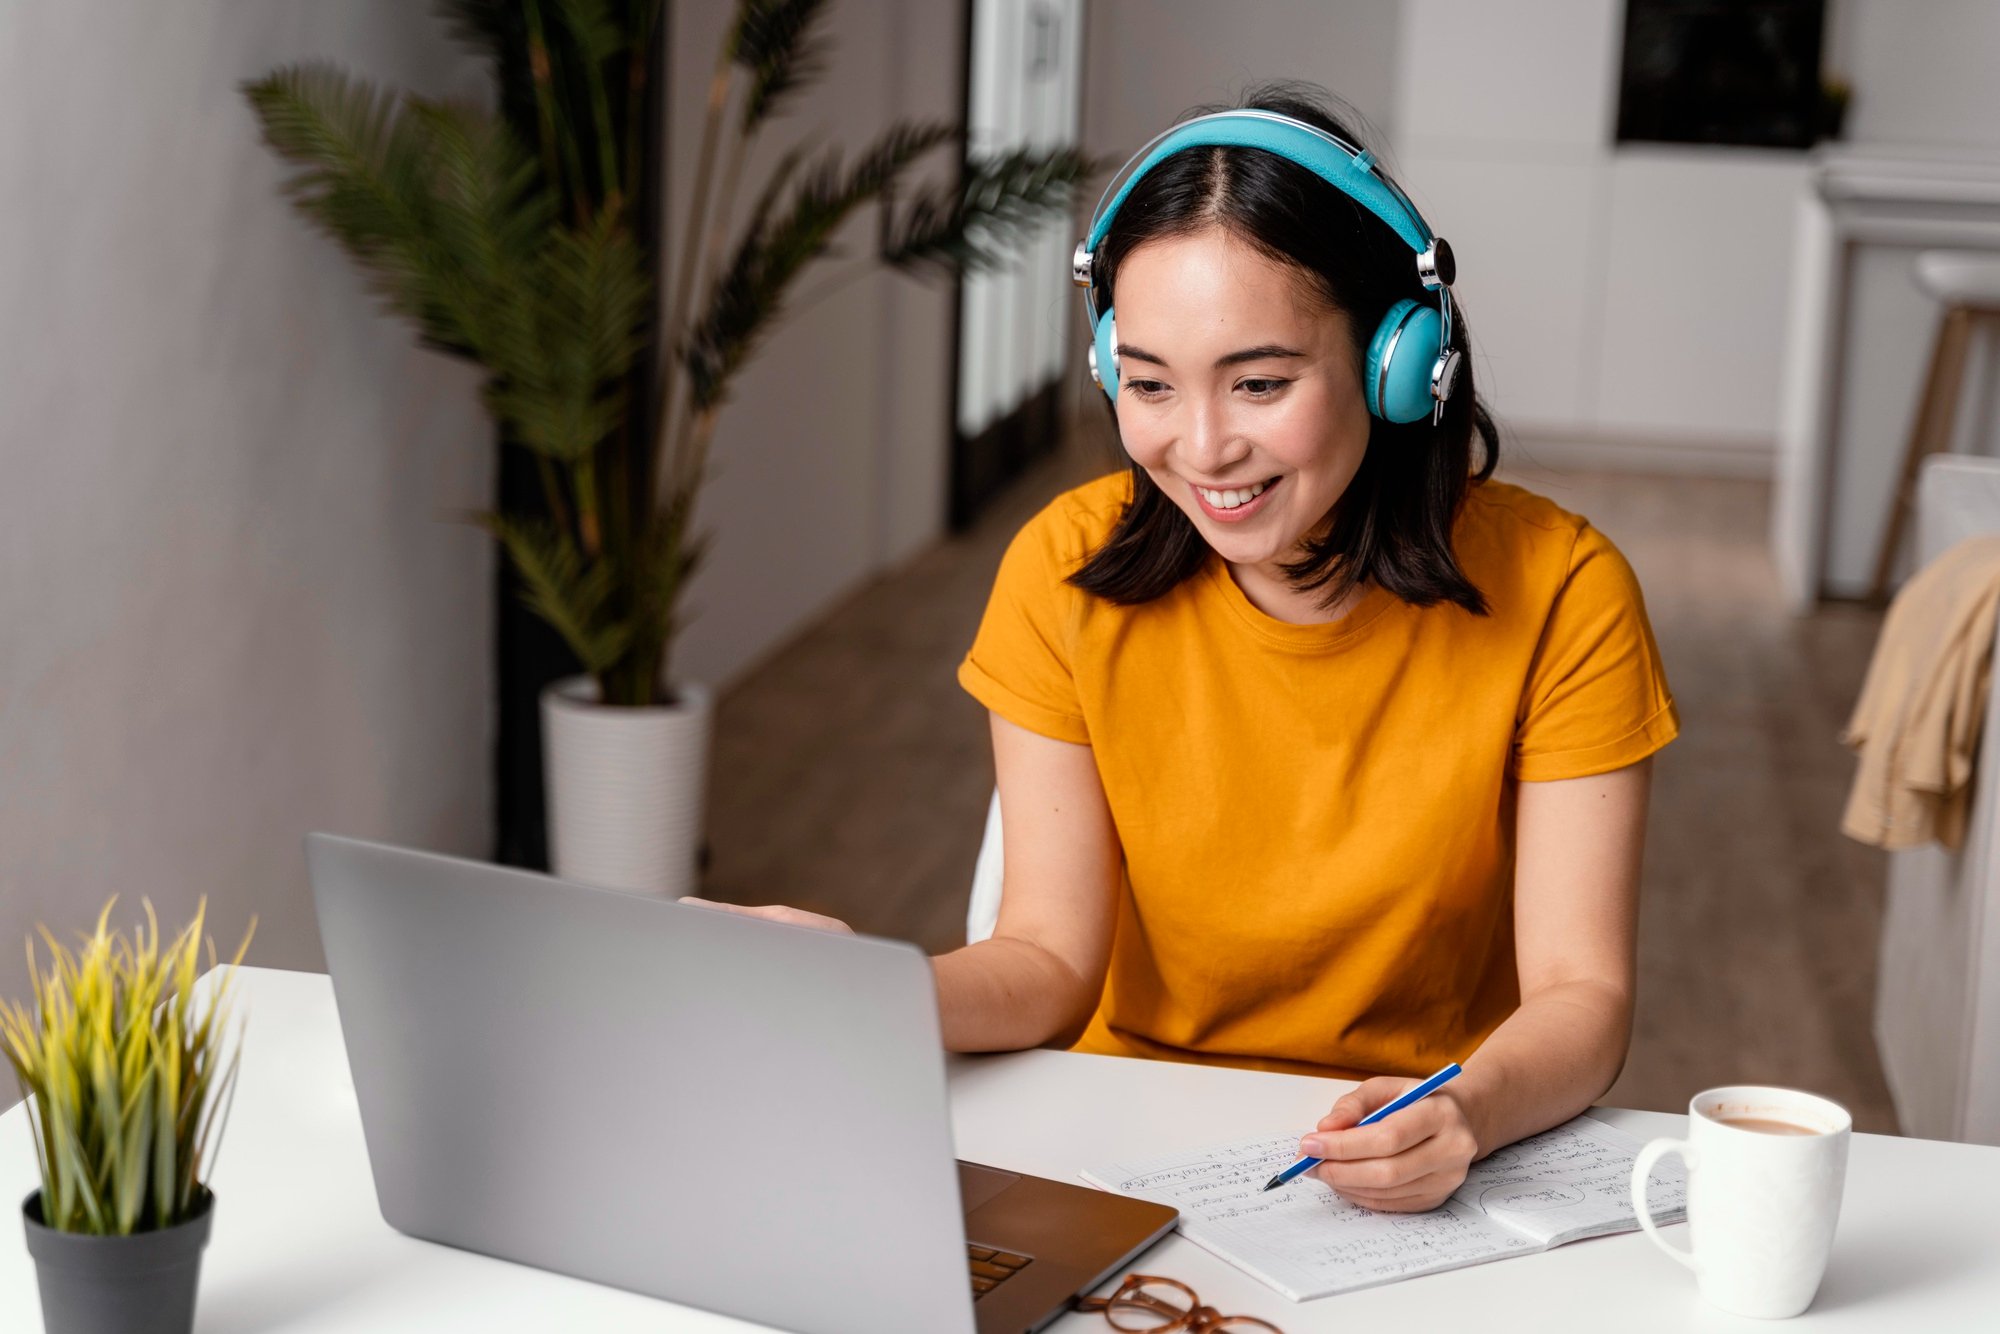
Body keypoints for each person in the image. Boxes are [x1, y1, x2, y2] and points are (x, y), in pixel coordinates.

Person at [685, 85, 1678, 1214]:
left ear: (1398, 360)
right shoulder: (1061, 572)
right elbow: (1049, 961)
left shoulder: (1564, 591)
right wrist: (864, 988)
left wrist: (1464, 1110)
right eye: (1149, 383)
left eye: (1258, 381)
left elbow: (1579, 991)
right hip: (1119, 1136)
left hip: (1413, 1145)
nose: (1202, 446)